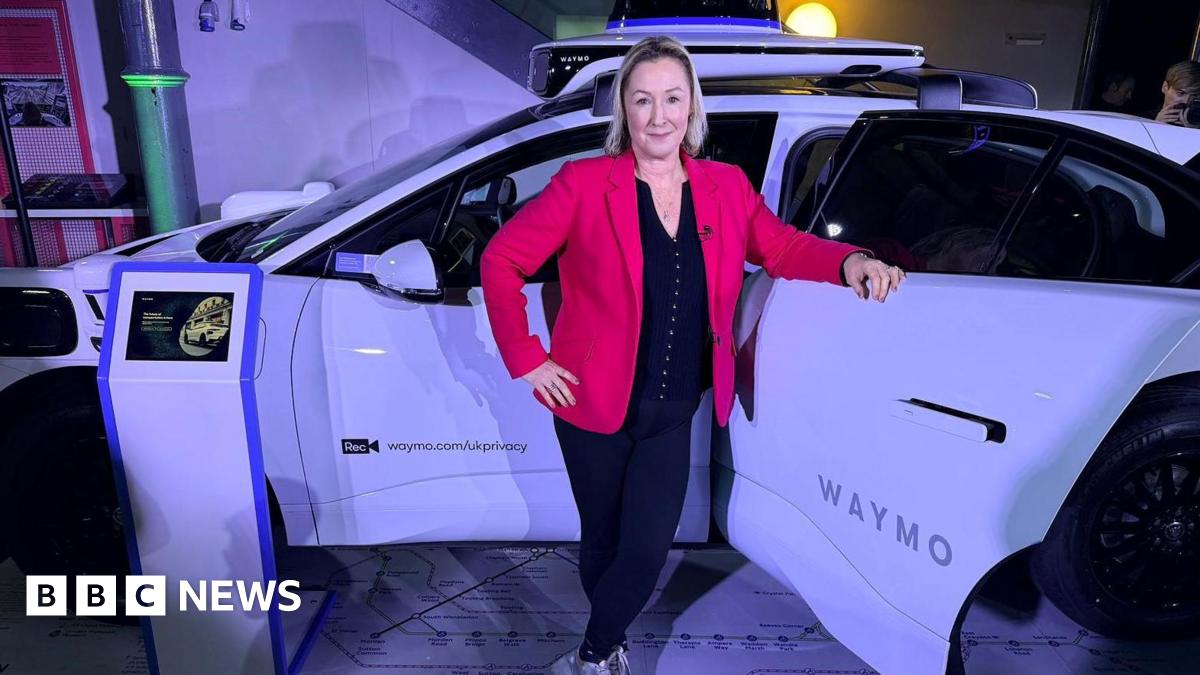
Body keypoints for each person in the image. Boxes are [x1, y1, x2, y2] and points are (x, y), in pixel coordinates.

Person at [480, 35, 904, 675]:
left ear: (691, 106)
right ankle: (612, 646)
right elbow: (502, 259)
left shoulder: (725, 187)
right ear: (624, 107)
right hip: (589, 402)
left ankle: (592, 654)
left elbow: (783, 248)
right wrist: (528, 357)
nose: (658, 116)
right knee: (602, 539)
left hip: (675, 407)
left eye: (672, 99)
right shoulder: (583, 184)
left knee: (646, 547)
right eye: (643, 99)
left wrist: (849, 260)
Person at [1153, 60, 1200, 128]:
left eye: (1194, 96)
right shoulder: (1141, 118)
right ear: (1165, 87)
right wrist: (1154, 125)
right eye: (1181, 93)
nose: (1186, 101)